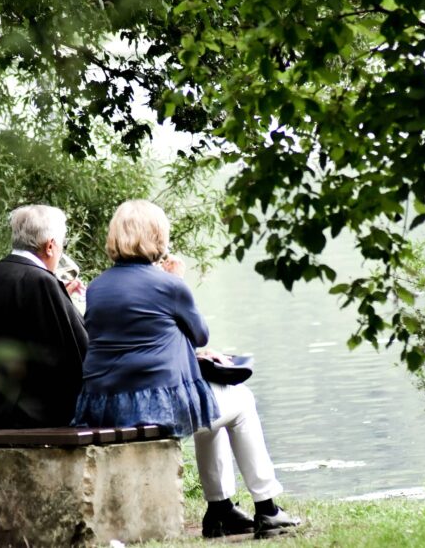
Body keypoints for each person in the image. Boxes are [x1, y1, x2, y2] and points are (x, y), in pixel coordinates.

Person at [73, 200, 301, 539]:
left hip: (105, 404)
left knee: (213, 410)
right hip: (152, 407)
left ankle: (220, 509)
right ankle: (267, 507)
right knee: (241, 401)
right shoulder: (168, 285)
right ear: (157, 237)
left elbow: (138, 335)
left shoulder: (98, 287)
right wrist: (178, 281)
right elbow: (200, 334)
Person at [0, 204, 87, 429]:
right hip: (35, 417)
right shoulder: (42, 282)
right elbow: (78, 352)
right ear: (51, 246)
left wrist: (61, 297)